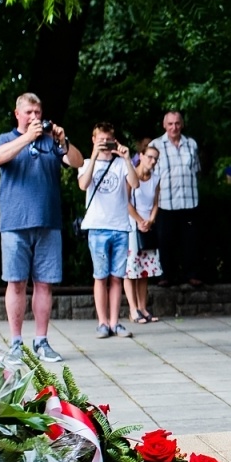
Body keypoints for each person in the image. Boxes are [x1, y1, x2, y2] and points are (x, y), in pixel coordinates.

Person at [0, 93, 84, 362]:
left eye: (38, 112)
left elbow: (77, 161)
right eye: (29, 112)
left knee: (44, 284)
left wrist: (63, 141)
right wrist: (27, 138)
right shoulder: (6, 139)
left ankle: (41, 341)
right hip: (14, 223)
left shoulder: (52, 142)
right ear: (17, 114)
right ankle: (16, 343)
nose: (35, 117)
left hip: (49, 222)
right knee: (16, 283)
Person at [79, 123, 139, 339]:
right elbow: (83, 185)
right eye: (101, 140)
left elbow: (135, 183)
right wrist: (94, 157)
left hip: (120, 227)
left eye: (108, 140)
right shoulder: (86, 163)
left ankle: (115, 322)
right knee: (100, 276)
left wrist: (126, 159)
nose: (105, 144)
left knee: (117, 277)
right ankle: (102, 322)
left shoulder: (121, 164)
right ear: (94, 140)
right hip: (97, 227)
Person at [154, 110, 203, 287]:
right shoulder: (156, 145)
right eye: (170, 124)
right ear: (164, 125)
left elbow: (196, 170)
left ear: (182, 124)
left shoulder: (191, 144)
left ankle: (192, 274)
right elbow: (150, 174)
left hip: (189, 200)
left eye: (177, 123)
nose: (174, 127)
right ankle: (166, 275)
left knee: (191, 240)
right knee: (165, 241)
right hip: (166, 201)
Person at [125, 141, 163, 324]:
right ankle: (133, 309)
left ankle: (142, 307)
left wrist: (151, 220)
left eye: (155, 158)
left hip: (147, 225)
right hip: (133, 225)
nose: (152, 161)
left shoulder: (156, 179)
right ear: (140, 156)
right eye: (149, 157)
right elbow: (126, 203)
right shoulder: (131, 176)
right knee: (131, 270)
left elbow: (156, 203)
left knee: (144, 271)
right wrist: (140, 220)